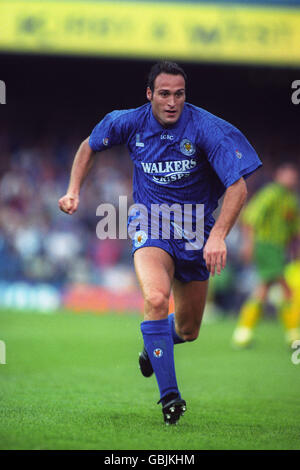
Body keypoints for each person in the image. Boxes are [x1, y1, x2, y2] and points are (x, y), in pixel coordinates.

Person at [59, 61, 262, 425]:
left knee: (188, 330)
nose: (172, 102)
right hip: (149, 222)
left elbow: (238, 186)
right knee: (154, 298)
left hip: (197, 231)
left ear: (186, 95)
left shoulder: (205, 129)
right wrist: (74, 190)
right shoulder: (128, 121)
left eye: (179, 94)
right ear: (150, 94)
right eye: (164, 94)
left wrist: (217, 236)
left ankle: (152, 347)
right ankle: (170, 398)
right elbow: (89, 146)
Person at [232, 163, 300, 348]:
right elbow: (250, 218)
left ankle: (243, 333)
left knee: (263, 290)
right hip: (266, 246)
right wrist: (248, 244)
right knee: (284, 289)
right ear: (279, 174)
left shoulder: (290, 199)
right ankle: (293, 336)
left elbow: (294, 230)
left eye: (294, 175)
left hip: (279, 250)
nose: (291, 178)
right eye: (288, 174)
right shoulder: (271, 194)